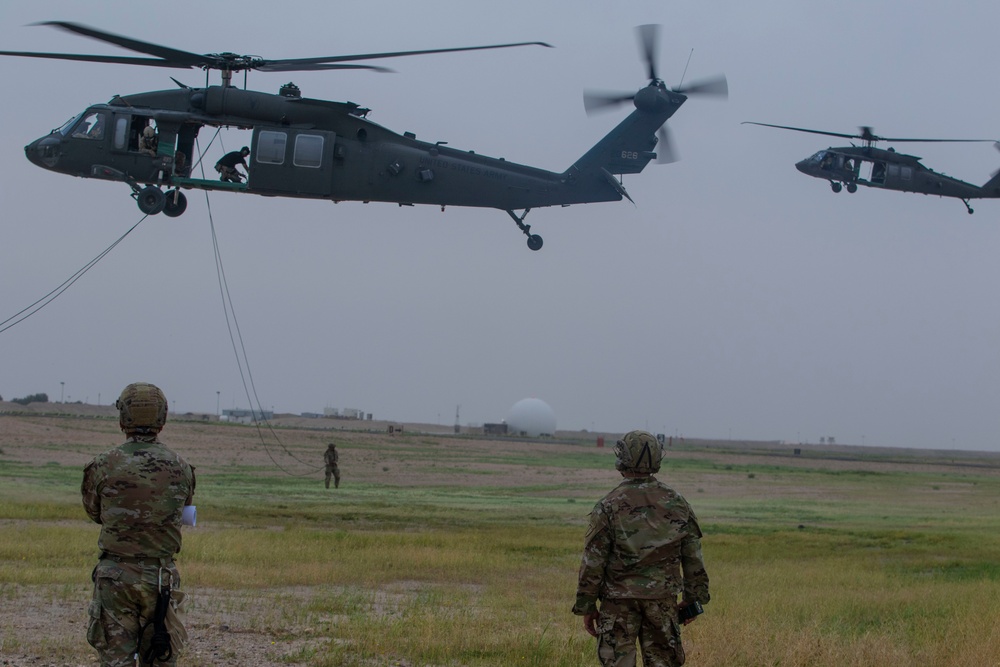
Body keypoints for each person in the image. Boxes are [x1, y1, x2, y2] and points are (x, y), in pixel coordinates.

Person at [572, 430, 709, 667]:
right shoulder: (677, 502)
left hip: (617, 604)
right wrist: (693, 599)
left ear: (622, 459)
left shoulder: (608, 505)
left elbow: (593, 561)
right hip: (662, 601)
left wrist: (587, 605)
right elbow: (693, 557)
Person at [82, 382, 196, 667]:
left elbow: (95, 512)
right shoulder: (181, 467)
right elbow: (185, 515)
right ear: (162, 418)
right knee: (160, 657)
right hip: (161, 577)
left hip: (115, 576)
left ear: (123, 417)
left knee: (115, 660)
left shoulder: (103, 464)